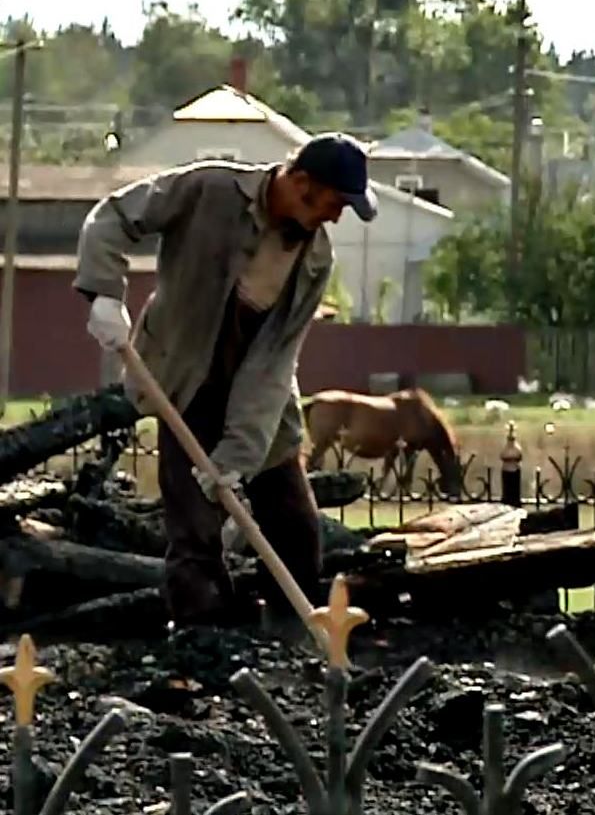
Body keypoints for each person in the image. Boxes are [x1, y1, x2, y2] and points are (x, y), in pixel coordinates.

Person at [73, 133, 377, 628]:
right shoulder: (212, 190)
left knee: (295, 530)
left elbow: (274, 364)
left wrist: (240, 454)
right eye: (334, 203)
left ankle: (290, 645)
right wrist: (104, 293)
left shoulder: (315, 259)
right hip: (184, 381)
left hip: (261, 400)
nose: (336, 218)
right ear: (301, 183)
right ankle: (202, 649)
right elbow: (112, 217)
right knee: (195, 534)